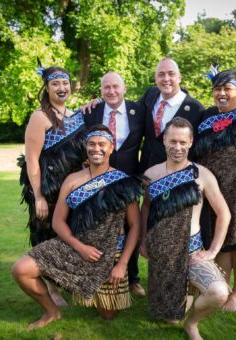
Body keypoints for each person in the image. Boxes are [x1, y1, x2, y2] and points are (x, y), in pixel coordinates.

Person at [12, 125, 143, 328]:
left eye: (102, 144)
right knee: (21, 269)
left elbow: (135, 226)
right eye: (91, 144)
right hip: (75, 247)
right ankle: (52, 312)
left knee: (108, 315)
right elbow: (57, 222)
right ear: (86, 147)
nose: (96, 148)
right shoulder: (72, 180)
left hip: (108, 254)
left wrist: (123, 264)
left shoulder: (123, 182)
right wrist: (80, 247)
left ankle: (90, 287)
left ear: (111, 148)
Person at [140, 117, 231, 340]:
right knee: (168, 316)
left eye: (183, 142)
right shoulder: (151, 175)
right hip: (162, 253)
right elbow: (145, 210)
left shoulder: (202, 175)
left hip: (192, 251)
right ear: (164, 141)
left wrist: (213, 252)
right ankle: (185, 292)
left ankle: (192, 324)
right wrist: (143, 240)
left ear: (191, 142)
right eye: (172, 141)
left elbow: (224, 213)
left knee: (219, 293)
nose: (177, 147)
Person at [18, 63, 87, 307]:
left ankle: (67, 280)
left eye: (65, 83)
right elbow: (32, 159)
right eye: (55, 84)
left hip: (72, 190)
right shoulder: (40, 117)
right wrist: (38, 196)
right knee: (45, 235)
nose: (61, 88)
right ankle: (51, 288)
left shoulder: (76, 116)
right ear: (46, 88)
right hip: (47, 190)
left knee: (69, 235)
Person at [193, 68, 236, 312]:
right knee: (218, 242)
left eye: (227, 89)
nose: (221, 93)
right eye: (217, 89)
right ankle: (222, 287)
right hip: (210, 191)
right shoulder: (205, 116)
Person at [83, 71, 146, 297]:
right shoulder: (90, 112)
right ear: (100, 90)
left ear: (124, 88)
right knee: (101, 227)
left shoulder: (139, 111)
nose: (111, 91)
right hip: (99, 180)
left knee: (131, 227)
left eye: (115, 87)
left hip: (129, 180)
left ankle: (133, 278)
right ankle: (97, 273)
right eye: (106, 87)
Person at [139, 57, 205, 172]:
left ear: (179, 77)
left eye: (171, 74)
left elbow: (200, 149)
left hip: (176, 176)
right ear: (155, 78)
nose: (166, 79)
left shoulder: (196, 109)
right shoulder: (150, 94)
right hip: (145, 173)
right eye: (161, 74)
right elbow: (130, 111)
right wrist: (100, 102)